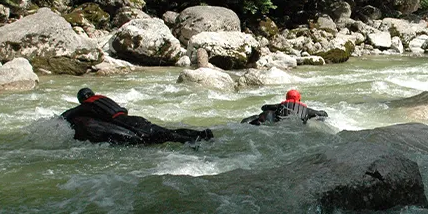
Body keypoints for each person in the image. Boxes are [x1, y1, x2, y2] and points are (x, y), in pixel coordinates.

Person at [61, 88, 214, 144]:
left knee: (157, 136)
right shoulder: (103, 98)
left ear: (82, 99)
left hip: (124, 122)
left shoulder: (86, 105)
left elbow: (67, 115)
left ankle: (190, 142)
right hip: (132, 118)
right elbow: (123, 109)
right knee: (164, 131)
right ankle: (200, 135)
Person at [242, 89, 328, 125]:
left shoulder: (280, 106)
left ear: (286, 98)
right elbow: (323, 114)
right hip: (298, 127)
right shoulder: (307, 110)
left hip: (280, 126)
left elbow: (264, 107)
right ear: (299, 100)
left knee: (261, 115)